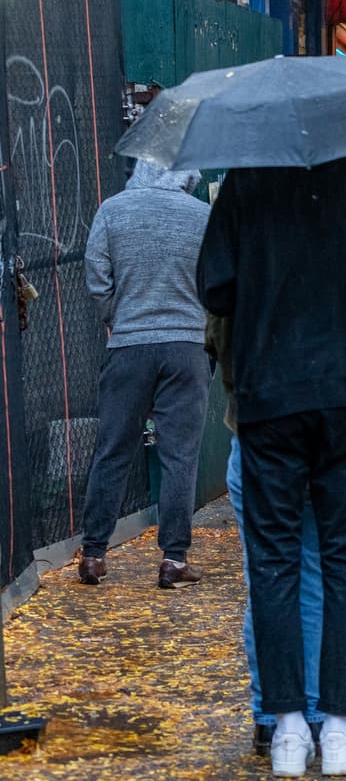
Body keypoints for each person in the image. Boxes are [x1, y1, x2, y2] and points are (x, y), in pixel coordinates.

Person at [198, 156, 346, 778]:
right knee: (345, 562)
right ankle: (338, 729)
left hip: (270, 395)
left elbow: (215, 287)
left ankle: (285, 731)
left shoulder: (247, 183)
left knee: (273, 560)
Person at [78, 160, 211, 589]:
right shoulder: (201, 215)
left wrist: (117, 315)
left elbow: (97, 274)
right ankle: (174, 559)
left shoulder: (112, 210)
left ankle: (94, 554)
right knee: (180, 455)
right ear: (187, 173)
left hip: (129, 345)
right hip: (186, 347)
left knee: (113, 448)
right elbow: (216, 279)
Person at [206, 313, 325, 757]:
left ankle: (270, 718)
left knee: (267, 577)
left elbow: (218, 334)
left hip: (256, 428)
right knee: (311, 576)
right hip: (321, 431)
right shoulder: (333, 250)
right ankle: (311, 715)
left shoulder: (241, 252)